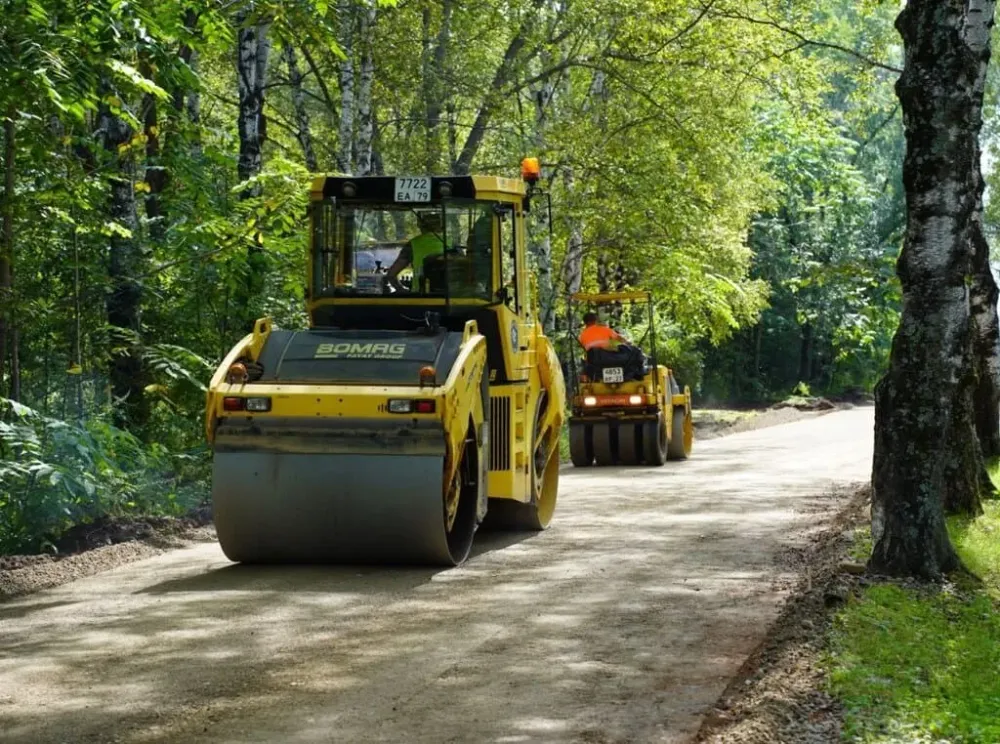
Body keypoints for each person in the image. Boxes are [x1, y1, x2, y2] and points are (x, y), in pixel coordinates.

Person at [386, 211, 446, 292]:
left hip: (419, 296)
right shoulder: (452, 243)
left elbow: (391, 275)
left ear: (420, 226)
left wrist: (402, 291)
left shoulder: (412, 244)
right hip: (450, 297)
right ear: (441, 225)